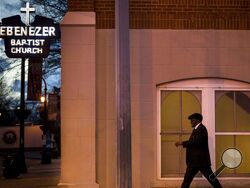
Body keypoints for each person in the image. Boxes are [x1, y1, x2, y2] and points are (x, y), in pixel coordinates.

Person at [175, 113, 222, 188]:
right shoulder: (197, 129)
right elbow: (194, 142)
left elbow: (196, 141)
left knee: (211, 179)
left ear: (197, 120)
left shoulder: (201, 129)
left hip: (200, 161)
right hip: (195, 161)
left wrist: (182, 143)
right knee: (187, 179)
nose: (190, 122)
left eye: (192, 120)